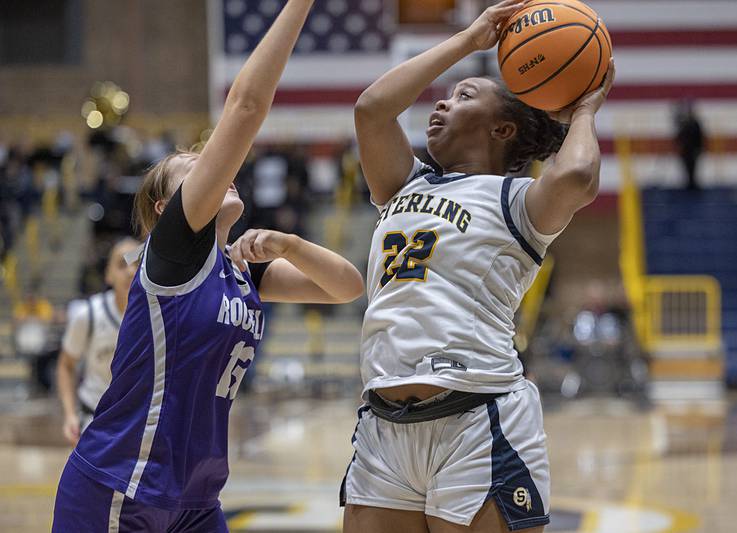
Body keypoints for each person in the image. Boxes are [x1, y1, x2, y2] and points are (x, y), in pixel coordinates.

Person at [52, 1, 364, 531]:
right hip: (120, 483)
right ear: (164, 209)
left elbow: (346, 287)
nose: (215, 169)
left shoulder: (241, 271)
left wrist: (289, 243)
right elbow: (245, 106)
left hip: (195, 496)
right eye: (193, 170)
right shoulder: (173, 253)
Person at [340, 1, 614, 532]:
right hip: (384, 424)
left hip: (479, 420)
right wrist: (468, 40)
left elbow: (579, 173)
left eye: (463, 96)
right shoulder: (404, 183)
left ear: (502, 130)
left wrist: (585, 107)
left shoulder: (518, 201)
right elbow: (372, 109)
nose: (440, 104)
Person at [56, 237, 140, 446]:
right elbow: (66, 366)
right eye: (122, 265)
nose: (130, 272)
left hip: (137, 423)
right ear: (108, 274)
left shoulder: (157, 317)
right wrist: (69, 415)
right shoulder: (89, 314)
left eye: (137, 264)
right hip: (94, 419)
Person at [673, 99, 704, 190]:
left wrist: (700, 148)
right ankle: (689, 184)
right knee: (686, 169)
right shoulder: (683, 123)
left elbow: (699, 137)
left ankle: (692, 184)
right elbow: (679, 136)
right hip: (685, 150)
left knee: (693, 168)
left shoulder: (695, 123)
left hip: (693, 150)